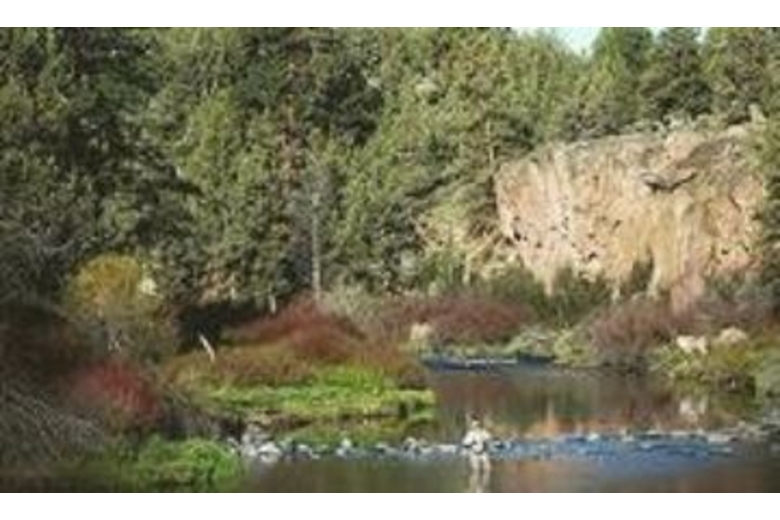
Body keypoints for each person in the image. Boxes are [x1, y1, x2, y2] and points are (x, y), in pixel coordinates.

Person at [462, 417, 492, 492]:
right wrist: (471, 443)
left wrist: (486, 441)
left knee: (488, 469)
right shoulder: (469, 434)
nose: (476, 427)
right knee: (475, 470)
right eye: (474, 425)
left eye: (477, 425)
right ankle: (473, 484)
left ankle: (485, 483)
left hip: (483, 452)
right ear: (472, 426)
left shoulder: (483, 432)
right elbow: (465, 444)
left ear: (479, 425)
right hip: (473, 453)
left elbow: (489, 438)